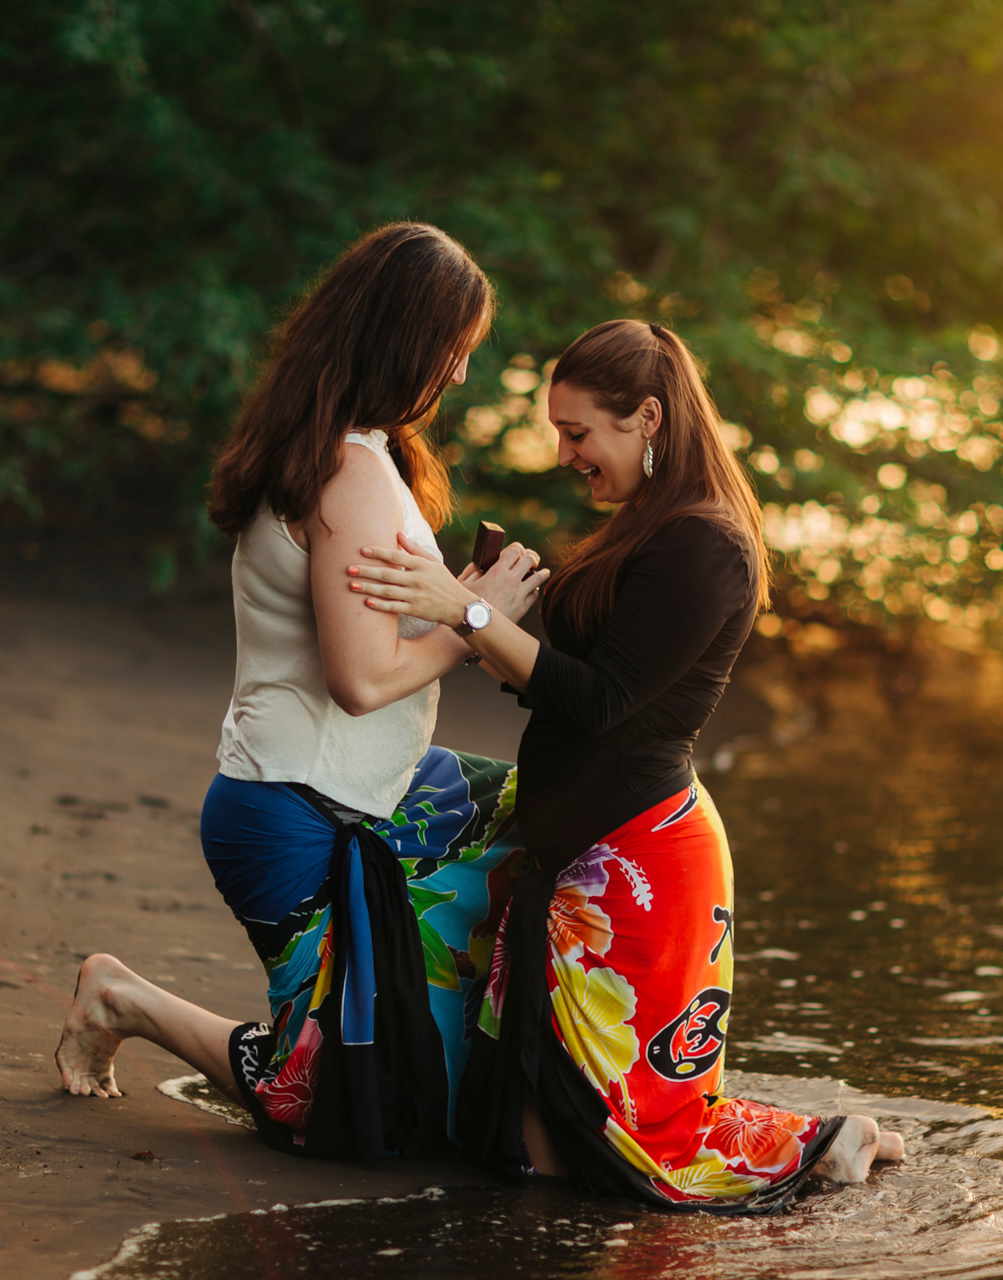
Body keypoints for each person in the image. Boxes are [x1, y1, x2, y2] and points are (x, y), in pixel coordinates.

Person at [348, 319, 903, 1210]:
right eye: (559, 432)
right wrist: (479, 612)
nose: (565, 454)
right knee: (544, 1139)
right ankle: (829, 1143)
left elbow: (604, 702)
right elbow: (565, 692)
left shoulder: (707, 546)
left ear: (647, 416)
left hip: (638, 866)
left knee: (632, 1145)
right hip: (582, 851)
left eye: (578, 433)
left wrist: (475, 617)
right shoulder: (643, 529)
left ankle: (834, 1142)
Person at [54, 222, 547, 1165]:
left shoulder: (350, 449)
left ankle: (497, 1069)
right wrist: (475, 619)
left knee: (557, 805)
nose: (460, 376)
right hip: (296, 815)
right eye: (455, 352)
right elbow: (360, 680)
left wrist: (469, 621)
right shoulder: (350, 477)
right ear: (406, 340)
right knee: (321, 1098)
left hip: (372, 792)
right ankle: (120, 998)